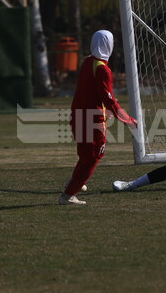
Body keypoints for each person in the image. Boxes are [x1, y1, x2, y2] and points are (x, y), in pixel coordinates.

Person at [59, 30, 137, 206]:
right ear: (108, 45)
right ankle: (68, 195)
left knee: (85, 155)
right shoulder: (103, 69)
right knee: (94, 157)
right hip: (92, 121)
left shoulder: (87, 62)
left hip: (77, 115)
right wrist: (127, 120)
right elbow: (108, 99)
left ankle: (75, 182)